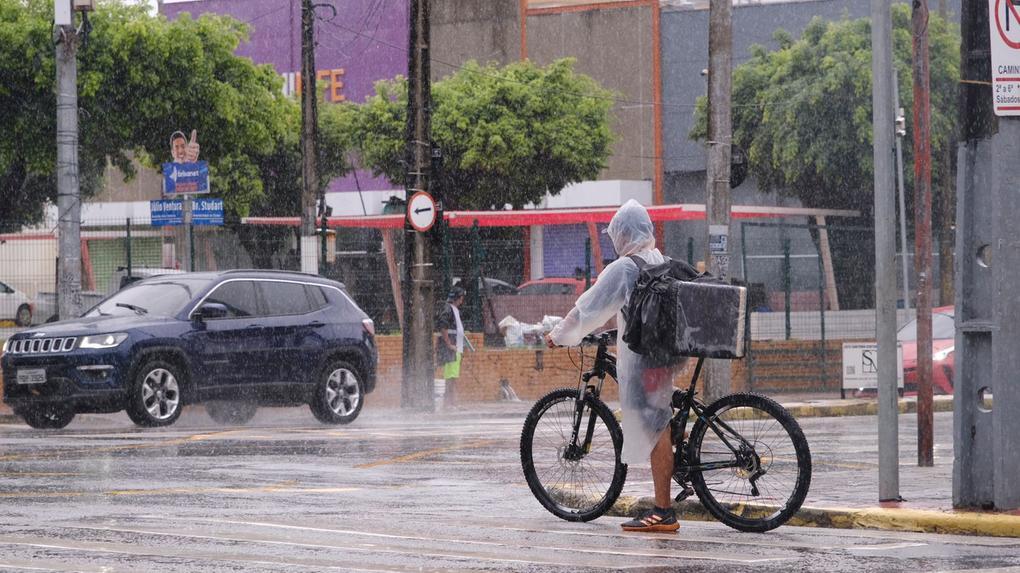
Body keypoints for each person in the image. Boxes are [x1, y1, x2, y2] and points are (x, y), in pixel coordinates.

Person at [545, 199, 686, 533]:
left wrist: (559, 335)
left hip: (646, 359)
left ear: (623, 234)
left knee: (655, 425)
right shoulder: (658, 259)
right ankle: (680, 464)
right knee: (660, 418)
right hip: (666, 354)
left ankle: (664, 511)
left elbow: (589, 308)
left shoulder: (625, 267)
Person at [436, 286, 466, 408]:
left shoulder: (454, 310)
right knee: (450, 378)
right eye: (461, 298)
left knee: (452, 377)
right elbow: (443, 326)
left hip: (456, 348)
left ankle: (451, 403)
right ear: (458, 298)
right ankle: (449, 404)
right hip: (452, 348)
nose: (462, 300)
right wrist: (449, 344)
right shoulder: (448, 309)